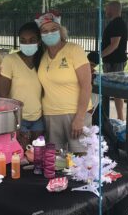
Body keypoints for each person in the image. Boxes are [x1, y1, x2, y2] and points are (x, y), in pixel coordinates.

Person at [35, 11, 92, 153]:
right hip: (50, 116)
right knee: (55, 162)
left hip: (74, 113)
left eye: (53, 29)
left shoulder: (74, 50)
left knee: (81, 162)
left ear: (61, 30)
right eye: (45, 31)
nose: (49, 34)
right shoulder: (42, 56)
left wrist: (79, 118)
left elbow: (86, 85)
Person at [0, 22, 44, 149]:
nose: (27, 44)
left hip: (38, 118)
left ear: (39, 41)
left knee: (36, 157)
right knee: (21, 158)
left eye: (32, 40)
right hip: (19, 119)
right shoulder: (10, 60)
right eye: (23, 40)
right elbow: (3, 95)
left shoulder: (44, 60)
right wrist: (15, 124)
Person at [102, 1, 128, 121]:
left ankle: (120, 118)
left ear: (112, 9)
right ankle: (111, 117)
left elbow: (114, 45)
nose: (105, 11)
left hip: (115, 62)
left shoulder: (117, 24)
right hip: (111, 61)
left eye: (106, 9)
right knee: (111, 91)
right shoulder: (114, 23)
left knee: (117, 91)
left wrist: (99, 55)